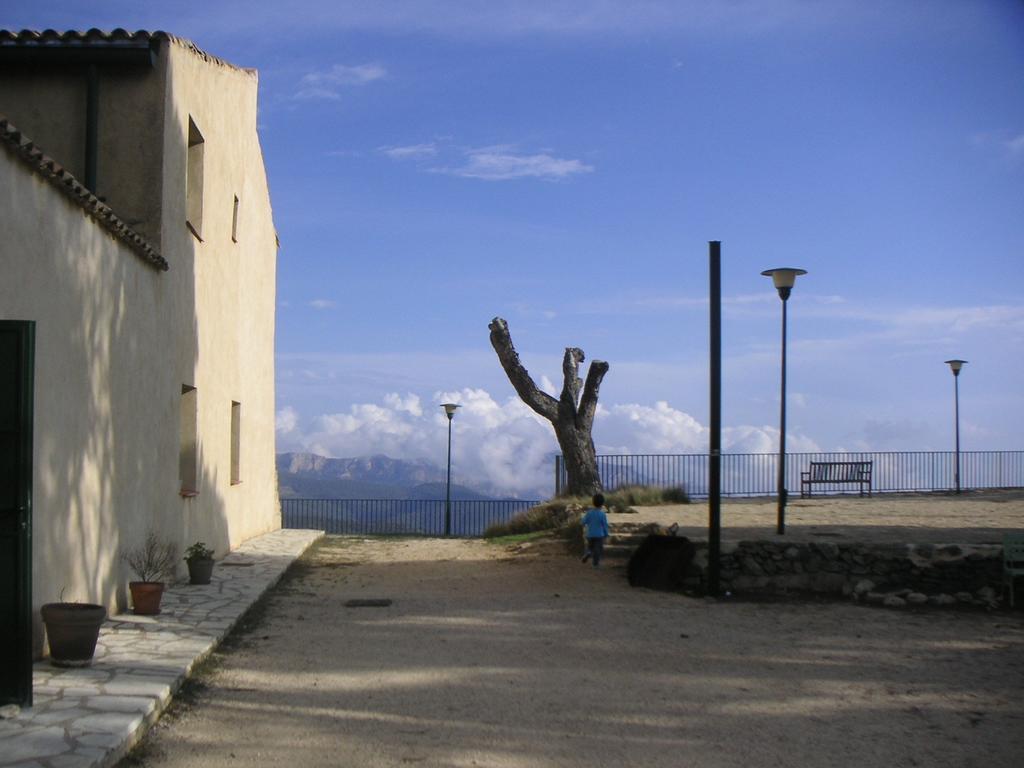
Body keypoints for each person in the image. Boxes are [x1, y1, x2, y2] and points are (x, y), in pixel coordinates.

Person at [580, 493, 609, 568]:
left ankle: (588, 552)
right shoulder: (602, 514)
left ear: (593, 502)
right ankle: (595, 564)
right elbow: (605, 525)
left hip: (590, 534)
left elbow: (583, 522)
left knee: (590, 547)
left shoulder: (589, 513)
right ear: (602, 504)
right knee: (598, 550)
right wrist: (606, 534)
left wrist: (583, 525)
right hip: (599, 535)